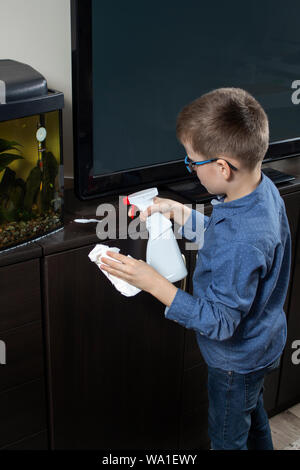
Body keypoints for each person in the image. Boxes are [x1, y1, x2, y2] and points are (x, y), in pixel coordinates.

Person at [99, 87, 291, 450]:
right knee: (253, 417)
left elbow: (220, 321)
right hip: (263, 345)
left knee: (227, 438)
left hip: (236, 362)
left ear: (222, 167)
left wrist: (154, 283)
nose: (189, 168)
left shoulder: (243, 239)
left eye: (192, 161)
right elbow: (229, 240)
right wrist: (183, 214)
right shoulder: (260, 191)